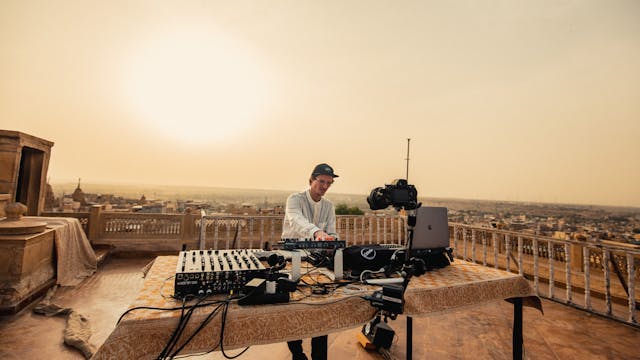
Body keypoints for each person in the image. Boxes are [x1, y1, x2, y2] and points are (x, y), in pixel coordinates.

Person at [282, 163, 339, 360]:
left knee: (321, 306)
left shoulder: (329, 206)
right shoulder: (294, 199)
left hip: (317, 262)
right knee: (293, 307)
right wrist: (316, 232)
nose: (324, 186)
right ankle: (297, 353)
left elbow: (331, 232)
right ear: (311, 180)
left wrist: (332, 241)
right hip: (292, 258)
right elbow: (296, 220)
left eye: (328, 183)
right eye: (321, 181)